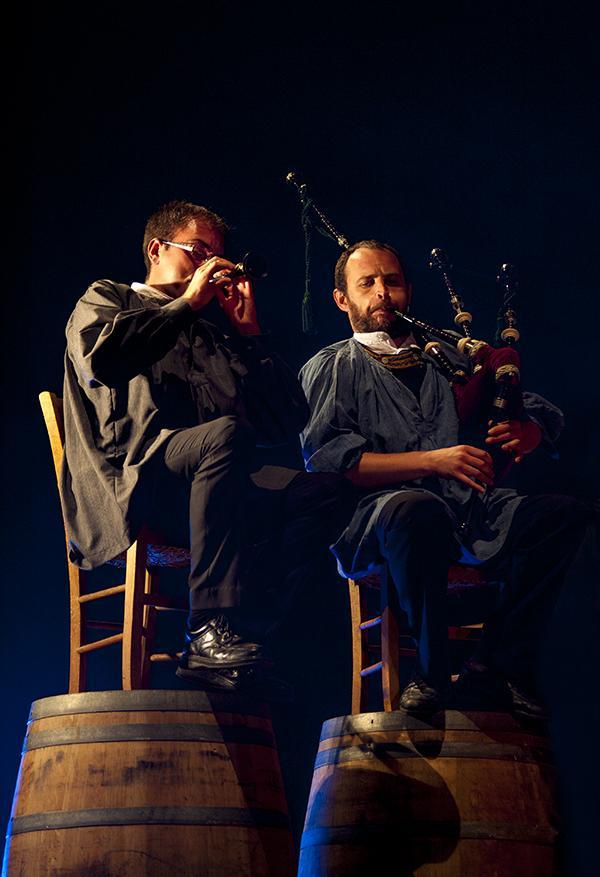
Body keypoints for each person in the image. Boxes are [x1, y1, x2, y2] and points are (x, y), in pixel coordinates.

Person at [61, 199, 351, 692]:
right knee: (224, 436)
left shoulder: (212, 338)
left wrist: (249, 335)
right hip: (135, 478)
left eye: (218, 256)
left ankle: (249, 632)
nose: (211, 266)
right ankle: (207, 629)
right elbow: (103, 361)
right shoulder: (108, 298)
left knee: (328, 490)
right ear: (157, 249)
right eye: (198, 251)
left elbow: (286, 421)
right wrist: (186, 304)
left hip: (216, 490)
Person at [299, 239, 592, 716]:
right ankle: (432, 676)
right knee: (418, 509)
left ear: (408, 291)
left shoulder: (444, 358)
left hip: (465, 511)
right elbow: (332, 463)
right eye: (367, 283)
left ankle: (493, 665)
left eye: (391, 281)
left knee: (563, 516)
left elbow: (523, 401)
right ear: (341, 299)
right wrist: (433, 461)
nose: (382, 293)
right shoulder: (334, 366)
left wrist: (531, 431)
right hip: (379, 517)